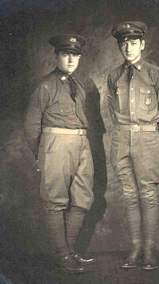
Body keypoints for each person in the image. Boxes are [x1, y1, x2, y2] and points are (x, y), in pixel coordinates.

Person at [106, 21, 159, 270]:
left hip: (148, 140)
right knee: (130, 196)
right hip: (121, 139)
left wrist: (153, 138)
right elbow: (112, 109)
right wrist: (123, 133)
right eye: (123, 42)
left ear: (142, 44)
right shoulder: (114, 75)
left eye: (133, 42)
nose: (128, 47)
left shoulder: (155, 74)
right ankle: (135, 249)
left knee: (147, 194)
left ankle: (149, 251)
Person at [24, 34, 95, 273]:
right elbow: (32, 125)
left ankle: (70, 251)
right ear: (56, 56)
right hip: (56, 144)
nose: (72, 59)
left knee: (83, 198)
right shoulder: (45, 85)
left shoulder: (80, 85)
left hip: (81, 143)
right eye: (66, 54)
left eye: (76, 55)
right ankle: (62, 256)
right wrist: (42, 154)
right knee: (55, 200)